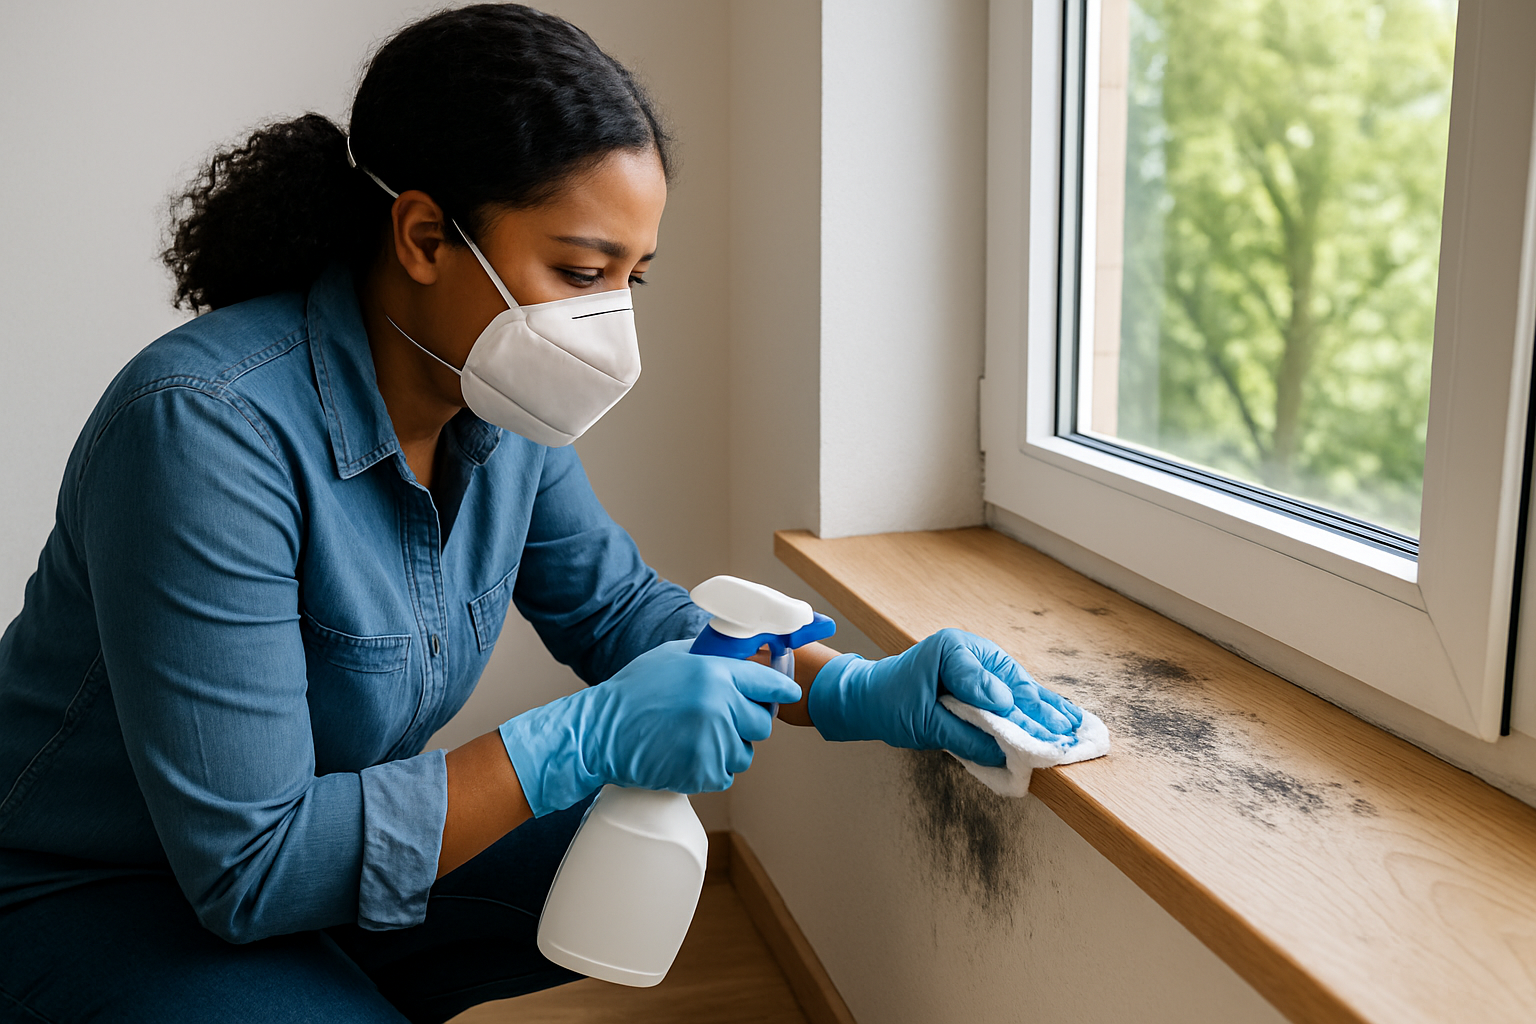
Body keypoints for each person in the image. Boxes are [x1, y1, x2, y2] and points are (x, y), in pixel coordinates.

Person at [0, 6, 1082, 1022]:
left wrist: (851, 687)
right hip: (92, 888)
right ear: (425, 237)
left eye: (632, 279)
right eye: (578, 269)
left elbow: (617, 612)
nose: (606, 323)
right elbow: (250, 863)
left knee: (617, 860)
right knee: (575, 797)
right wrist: (577, 734)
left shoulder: (496, 407)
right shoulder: (205, 429)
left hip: (291, 859)